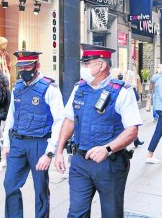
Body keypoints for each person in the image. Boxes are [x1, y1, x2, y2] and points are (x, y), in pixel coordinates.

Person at [54, 44, 142, 217]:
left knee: (111, 213)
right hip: (80, 162)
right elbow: (69, 121)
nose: (83, 68)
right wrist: (58, 152)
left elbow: (132, 130)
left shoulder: (122, 92)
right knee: (76, 213)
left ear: (101, 65)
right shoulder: (79, 89)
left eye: (87, 63)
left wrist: (107, 148)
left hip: (110, 164)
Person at [2, 51, 64, 218]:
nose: (24, 70)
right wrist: (6, 143)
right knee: (10, 185)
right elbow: (11, 116)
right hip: (18, 143)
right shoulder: (18, 87)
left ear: (38, 66)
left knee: (40, 189)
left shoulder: (49, 88)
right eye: (20, 66)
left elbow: (60, 121)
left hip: (39, 144)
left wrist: (50, 152)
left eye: (28, 66)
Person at [124, 70, 145, 147]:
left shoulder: (123, 86)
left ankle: (136, 140)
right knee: (132, 126)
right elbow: (137, 97)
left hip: (126, 109)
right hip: (131, 109)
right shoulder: (131, 88)